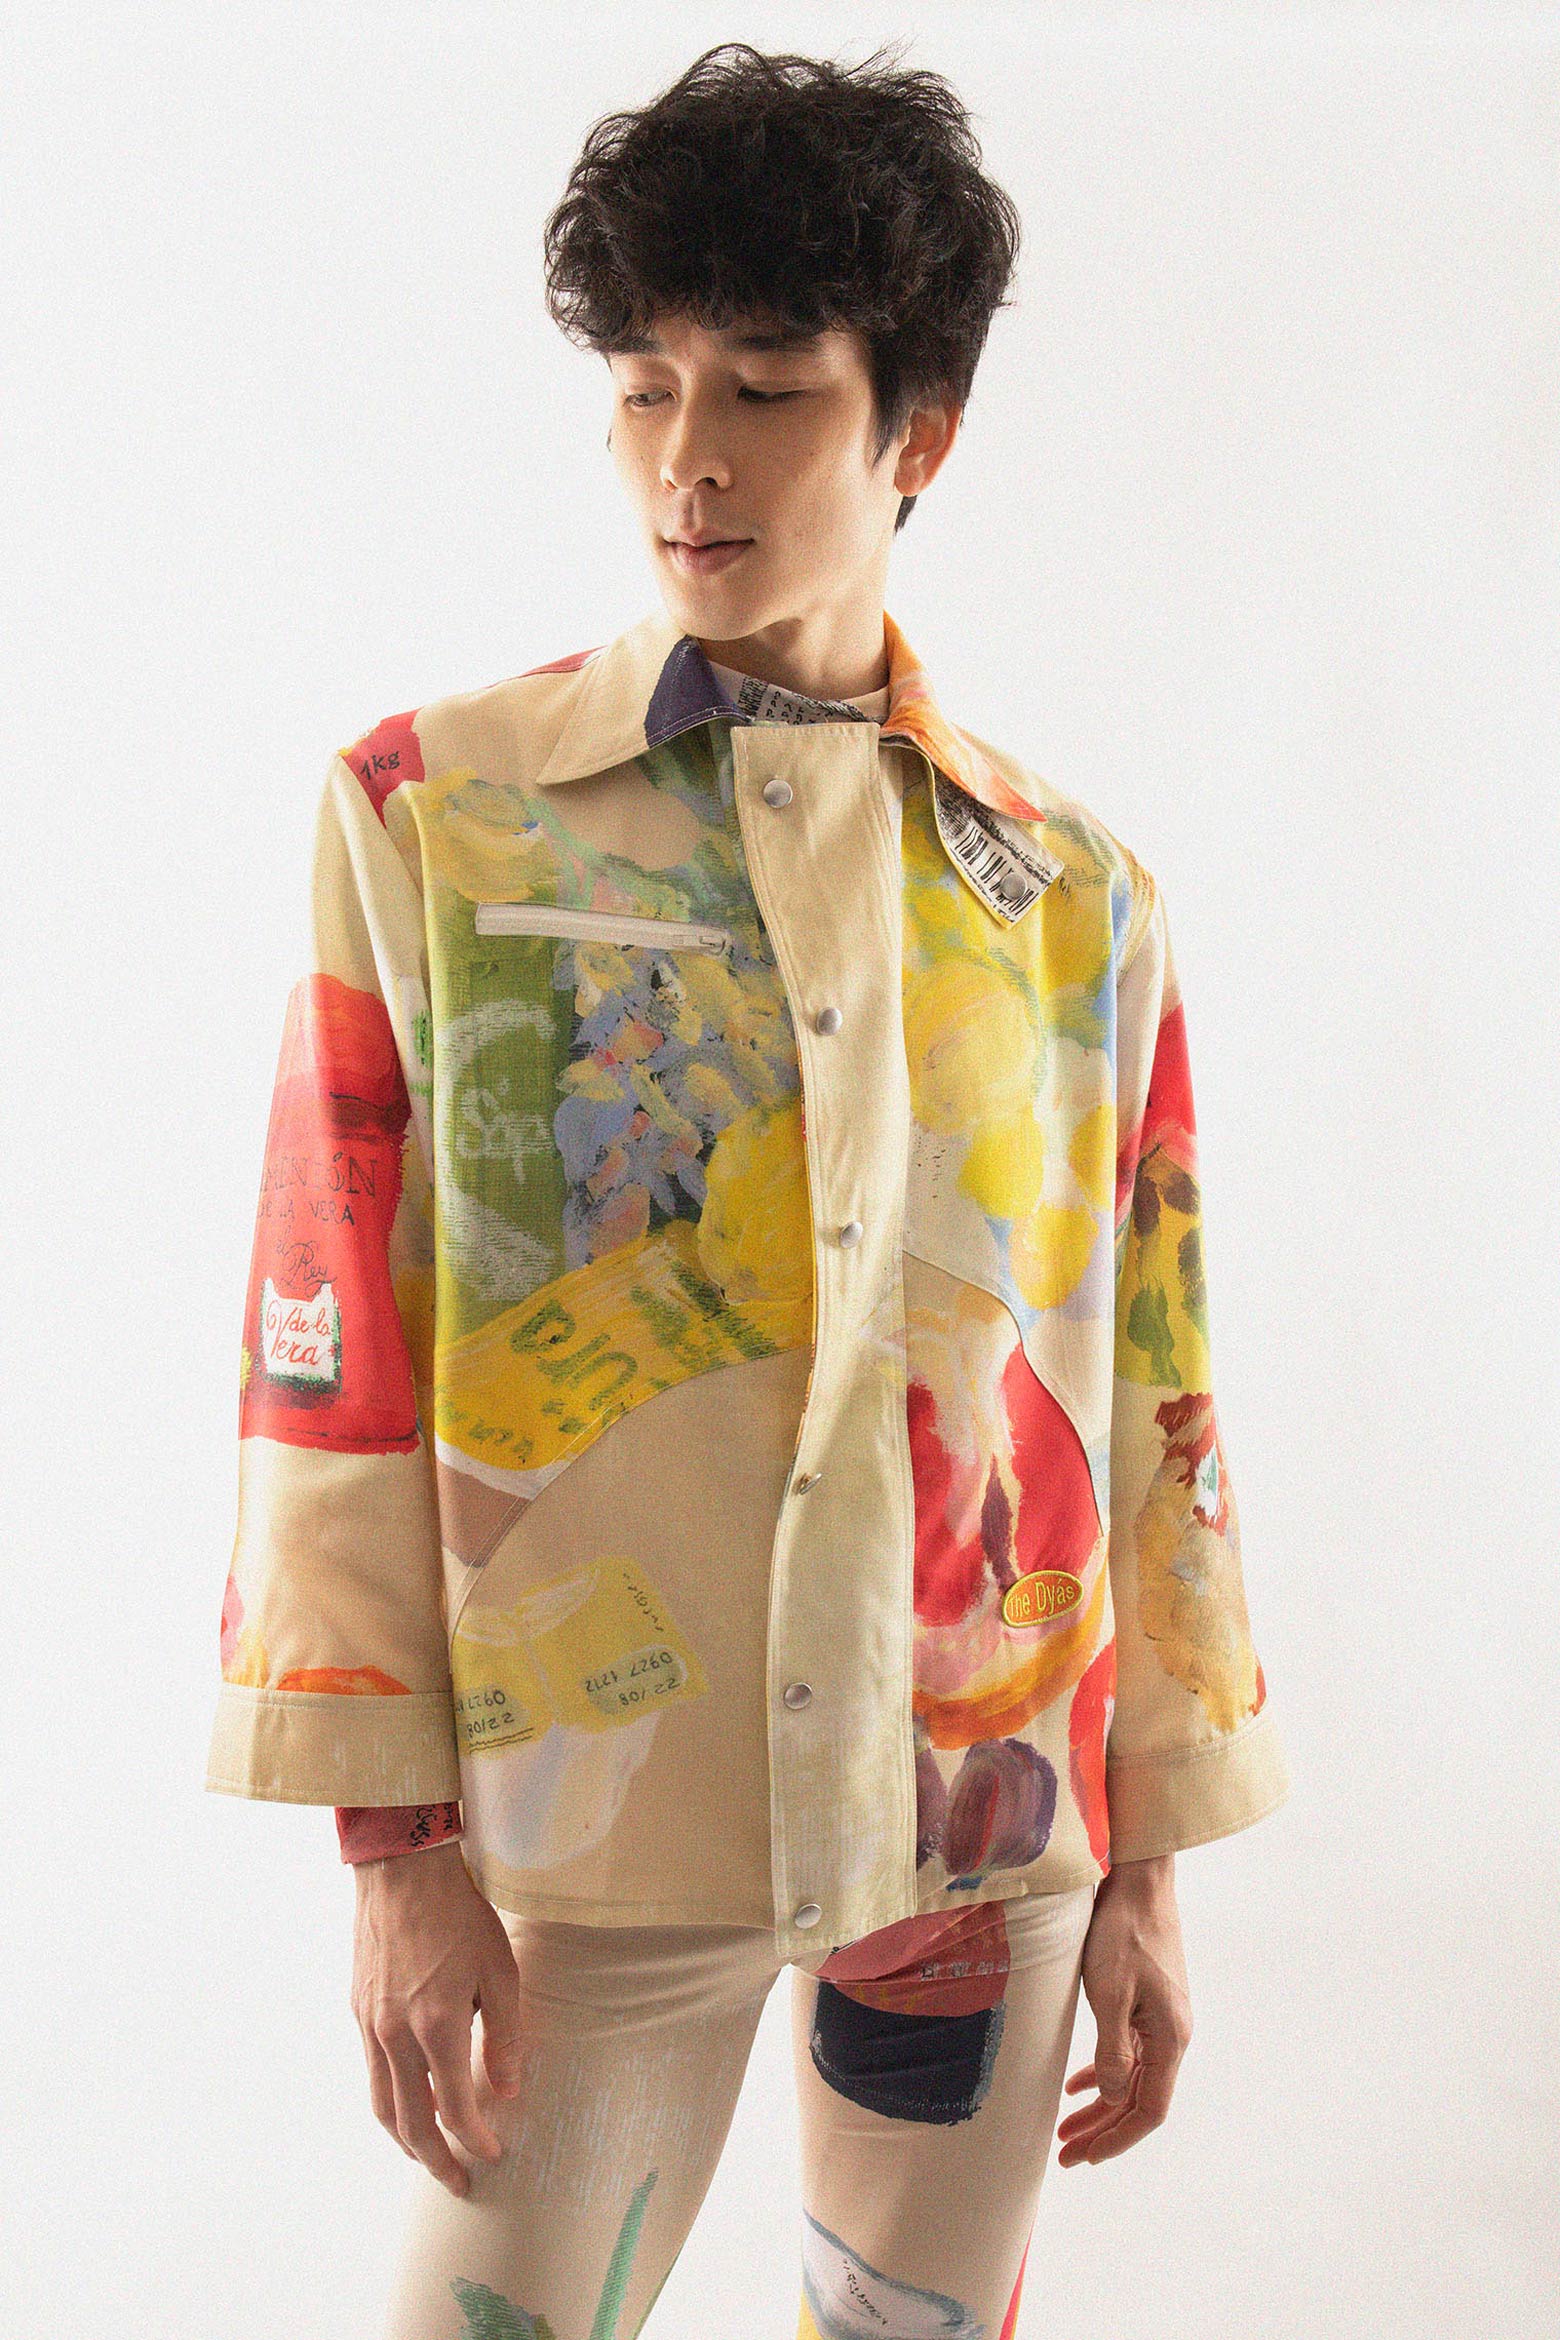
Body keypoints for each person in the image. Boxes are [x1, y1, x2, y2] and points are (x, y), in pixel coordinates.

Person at [206, 40, 1290, 2340]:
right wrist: (393, 1850)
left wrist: (1149, 1857)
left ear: (917, 435)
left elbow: (1152, 1387)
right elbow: (332, 1353)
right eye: (644, 386)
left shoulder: (1068, 892)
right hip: (589, 1835)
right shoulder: (440, 819)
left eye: (770, 390)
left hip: (978, 1830)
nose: (687, 457)